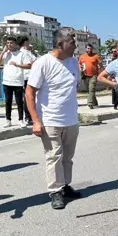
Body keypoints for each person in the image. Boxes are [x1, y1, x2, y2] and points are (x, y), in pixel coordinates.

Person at [25, 29, 82, 210]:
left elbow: (73, 88)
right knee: (54, 156)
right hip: (50, 120)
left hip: (71, 119)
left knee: (68, 157)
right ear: (60, 45)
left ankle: (65, 185)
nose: (75, 45)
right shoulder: (43, 63)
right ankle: (55, 191)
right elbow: (29, 92)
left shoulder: (74, 63)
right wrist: (35, 120)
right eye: (71, 42)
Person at [17, 36, 37, 125]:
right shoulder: (24, 53)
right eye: (28, 42)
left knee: (29, 96)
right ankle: (28, 117)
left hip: (29, 77)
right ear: (25, 42)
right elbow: (28, 65)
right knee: (28, 96)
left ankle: (29, 116)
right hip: (28, 77)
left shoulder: (27, 52)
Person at [78, 43, 102, 109]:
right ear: (86, 49)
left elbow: (101, 65)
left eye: (90, 48)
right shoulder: (82, 56)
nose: (89, 50)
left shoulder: (96, 56)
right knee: (89, 91)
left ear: (92, 49)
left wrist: (102, 73)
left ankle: (90, 103)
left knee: (91, 89)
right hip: (85, 75)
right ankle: (95, 103)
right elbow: (79, 64)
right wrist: (80, 68)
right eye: (88, 48)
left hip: (94, 75)